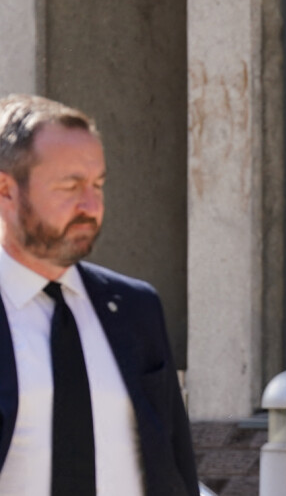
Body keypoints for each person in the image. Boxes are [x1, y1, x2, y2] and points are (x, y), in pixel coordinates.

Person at [0, 94, 199, 495]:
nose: (91, 205)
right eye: (70, 186)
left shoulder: (135, 308)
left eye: (98, 185)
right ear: (6, 190)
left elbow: (174, 468)